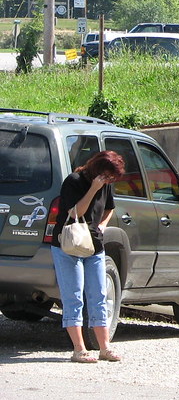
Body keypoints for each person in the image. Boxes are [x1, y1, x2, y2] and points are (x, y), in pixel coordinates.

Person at [50, 150, 126, 363]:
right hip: (69, 246)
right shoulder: (74, 181)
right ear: (98, 169)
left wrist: (103, 224)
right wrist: (93, 189)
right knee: (73, 297)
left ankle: (105, 348)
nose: (109, 181)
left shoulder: (105, 184)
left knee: (98, 295)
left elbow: (110, 208)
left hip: (94, 246)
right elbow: (75, 213)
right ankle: (79, 350)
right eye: (108, 176)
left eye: (112, 178)